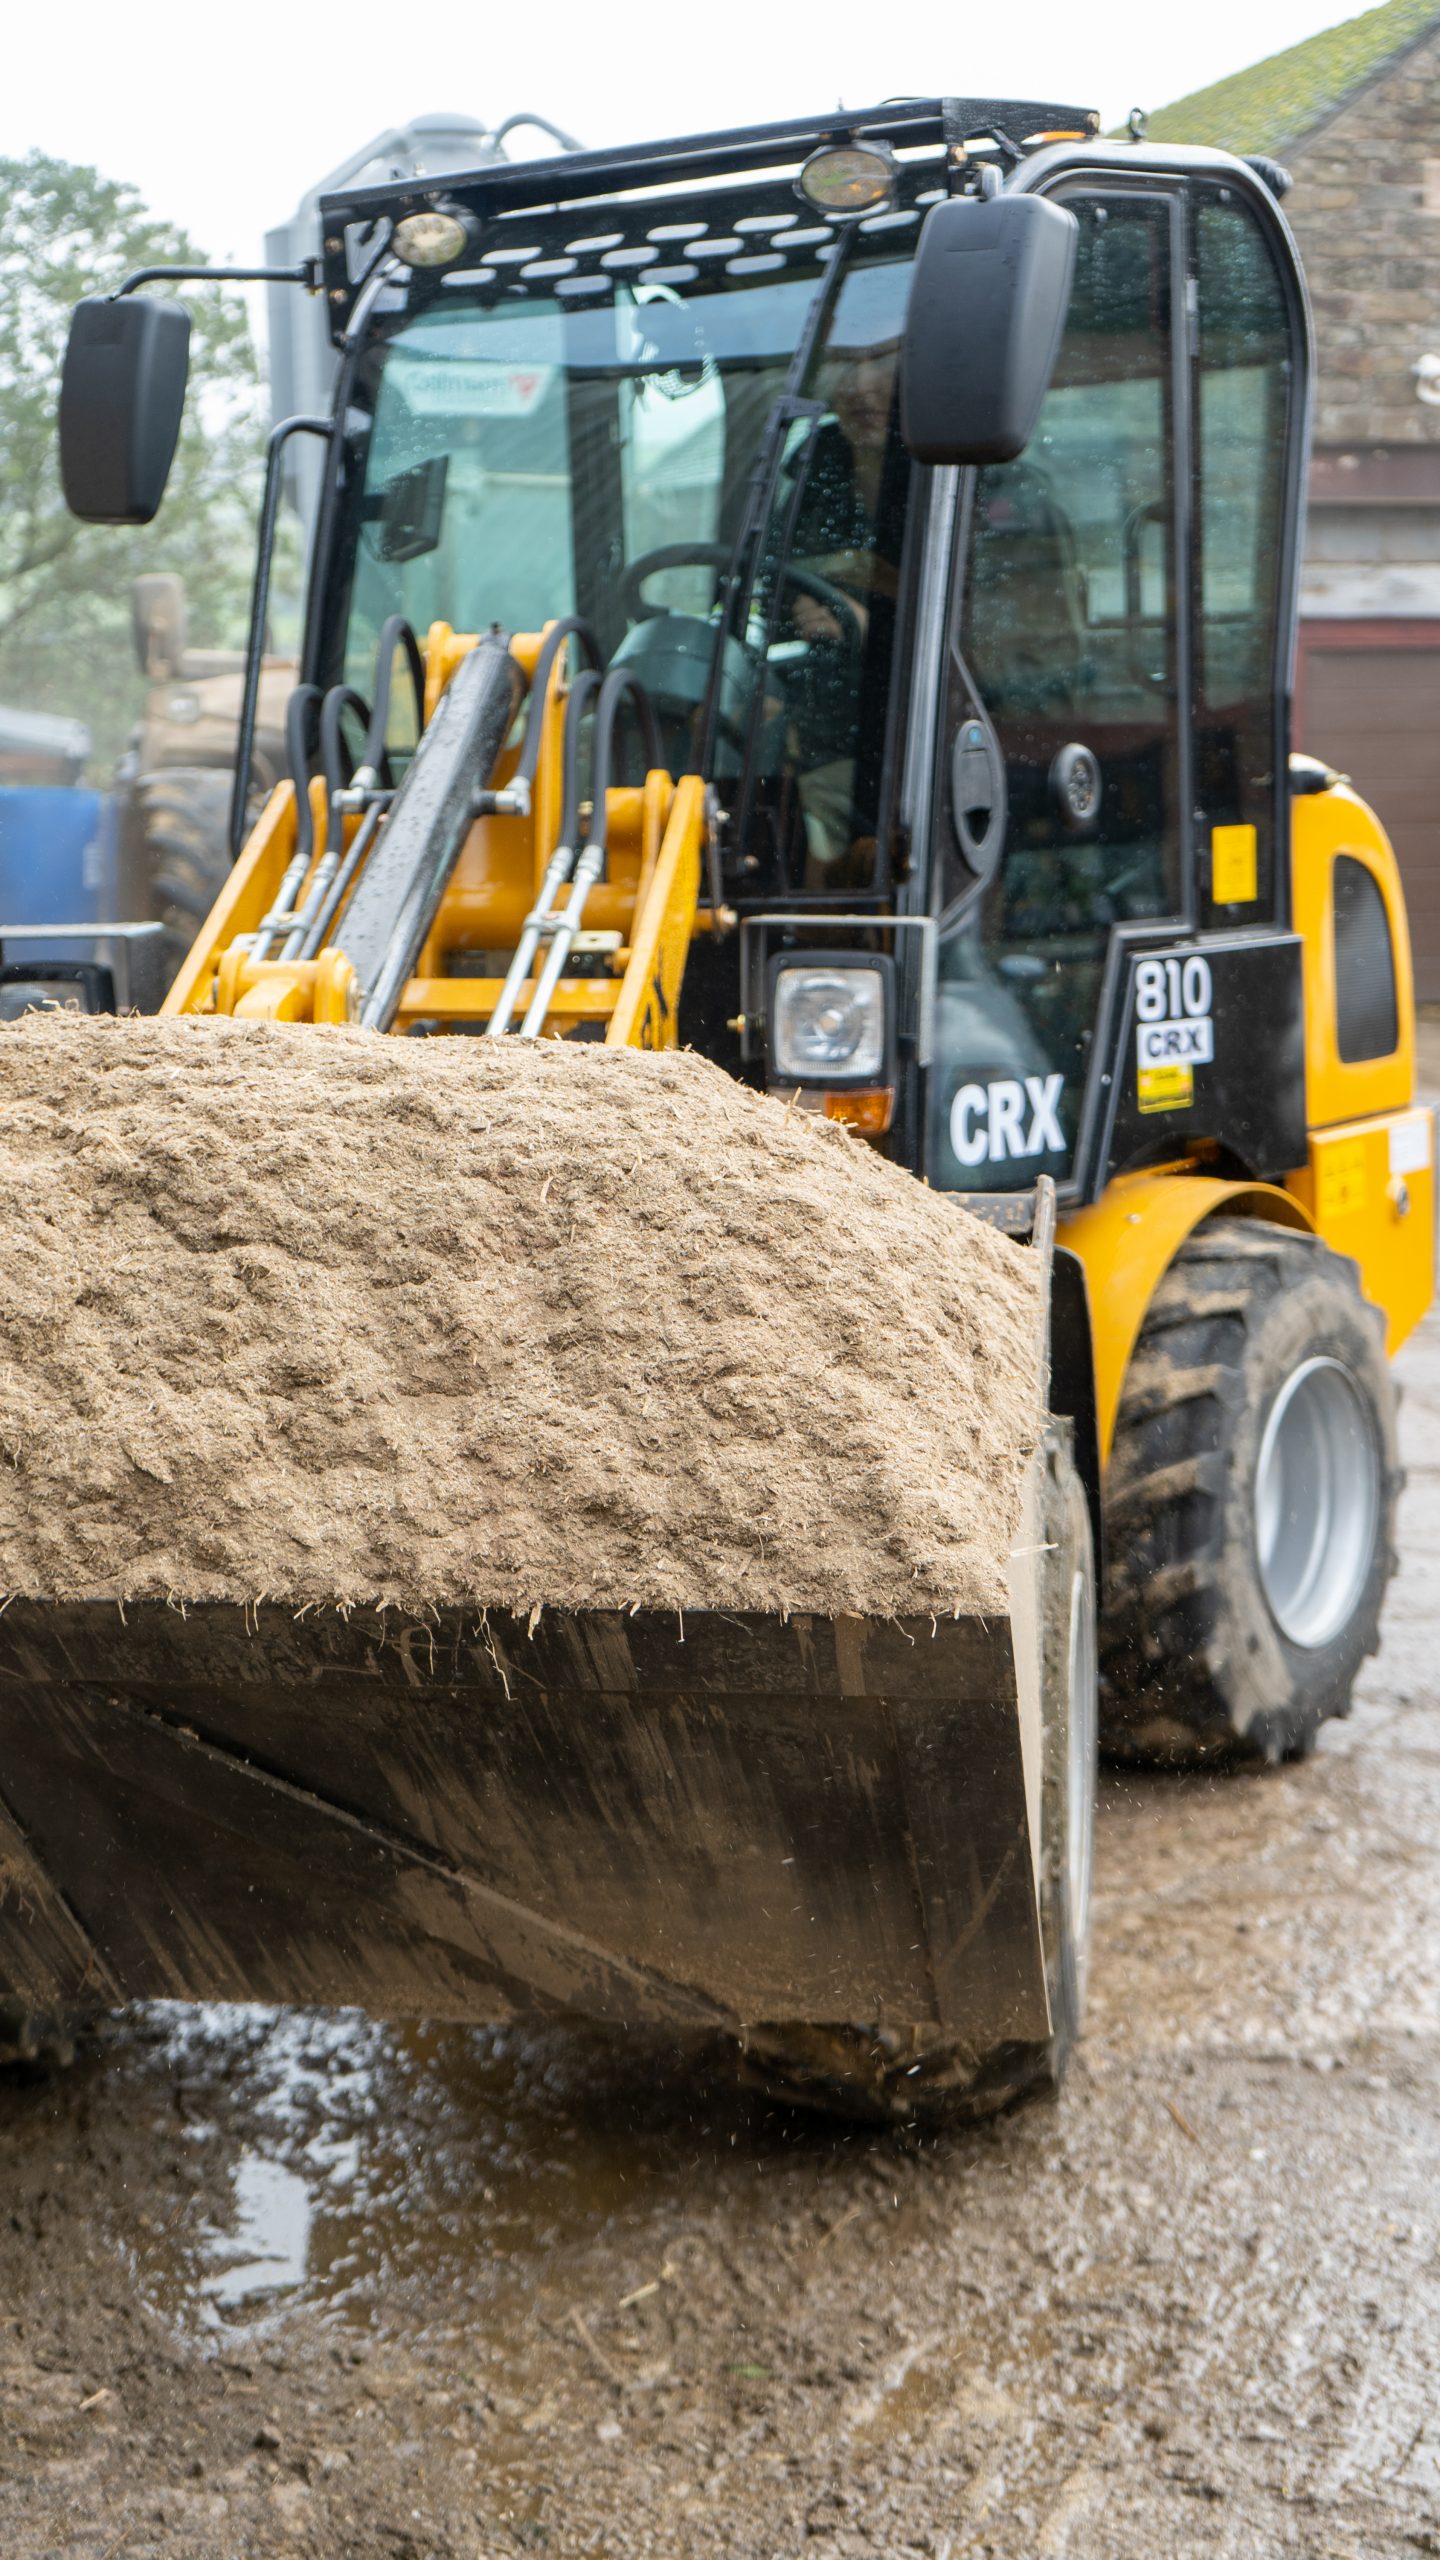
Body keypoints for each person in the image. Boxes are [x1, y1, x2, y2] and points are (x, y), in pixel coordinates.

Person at [778, 338, 907, 881]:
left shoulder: (992, 485)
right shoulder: (808, 481)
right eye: (843, 361)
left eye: (882, 358)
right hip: (818, 725)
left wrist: (872, 626)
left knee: (814, 809)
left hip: (939, 737)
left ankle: (808, 942)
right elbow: (760, 595)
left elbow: (1016, 650)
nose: (860, 386)